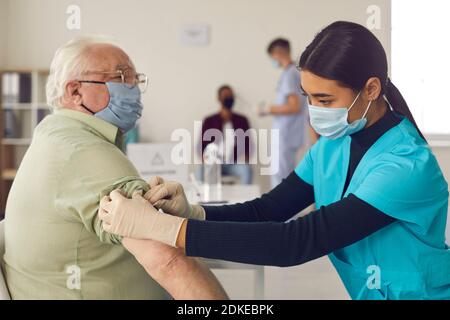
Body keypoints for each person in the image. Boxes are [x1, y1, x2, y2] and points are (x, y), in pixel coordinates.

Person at [99, 21, 450, 300]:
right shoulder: (332, 147)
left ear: (371, 89)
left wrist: (164, 230)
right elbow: (266, 210)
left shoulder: (405, 166)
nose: (313, 113)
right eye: (308, 98)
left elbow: (296, 242)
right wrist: (192, 213)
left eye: (325, 100)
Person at [2, 37, 227, 300]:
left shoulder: (54, 135)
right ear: (75, 91)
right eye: (121, 77)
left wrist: (190, 214)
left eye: (135, 79)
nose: (133, 88)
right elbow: (169, 261)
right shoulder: (84, 152)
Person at [260, 38, 309, 187]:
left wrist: (268, 109)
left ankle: (279, 210)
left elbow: (294, 106)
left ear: (277, 53)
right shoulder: (293, 72)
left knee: (280, 174)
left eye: (272, 57)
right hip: (289, 132)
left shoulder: (290, 74)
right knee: (283, 172)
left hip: (286, 133)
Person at [196, 85, 252, 184]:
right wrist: (205, 157)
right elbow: (201, 145)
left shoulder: (242, 120)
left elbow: (248, 144)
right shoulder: (209, 121)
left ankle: (245, 199)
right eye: (226, 95)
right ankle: (202, 199)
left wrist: (245, 156)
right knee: (200, 170)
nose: (229, 98)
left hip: (234, 164)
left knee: (246, 170)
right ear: (218, 98)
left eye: (231, 95)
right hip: (214, 163)